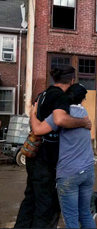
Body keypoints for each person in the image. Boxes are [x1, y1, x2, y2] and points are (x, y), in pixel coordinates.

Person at [14, 66, 92, 228]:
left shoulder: (42, 94)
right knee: (47, 206)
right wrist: (83, 122)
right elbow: (60, 120)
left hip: (34, 157)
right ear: (71, 81)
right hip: (48, 161)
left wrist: (33, 115)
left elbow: (36, 121)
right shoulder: (61, 98)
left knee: (30, 199)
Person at [30, 83, 96, 229]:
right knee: (85, 213)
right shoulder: (84, 113)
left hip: (69, 173)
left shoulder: (60, 116)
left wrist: (33, 113)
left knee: (71, 218)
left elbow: (37, 130)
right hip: (88, 171)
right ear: (82, 99)